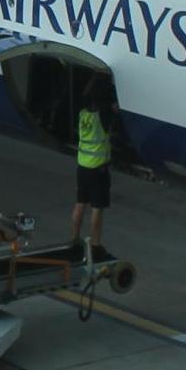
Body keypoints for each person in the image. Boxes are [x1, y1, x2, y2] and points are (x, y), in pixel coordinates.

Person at [70, 77, 117, 255]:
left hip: (82, 165)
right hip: (98, 169)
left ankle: (74, 239)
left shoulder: (83, 113)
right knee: (97, 208)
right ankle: (96, 245)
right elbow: (115, 112)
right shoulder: (104, 116)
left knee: (80, 203)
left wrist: (94, 76)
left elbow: (84, 95)